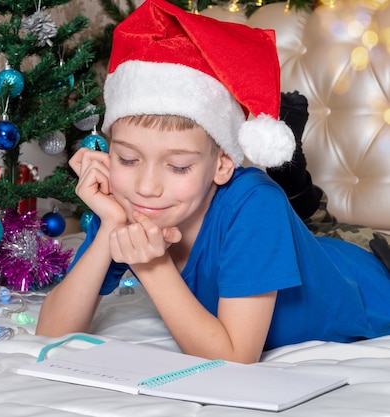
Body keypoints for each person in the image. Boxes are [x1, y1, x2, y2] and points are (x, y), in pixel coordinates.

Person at [36, 0, 390, 364]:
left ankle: (298, 186)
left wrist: (150, 264)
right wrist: (111, 226)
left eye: (177, 166)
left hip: (375, 273)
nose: (146, 186)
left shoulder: (255, 202)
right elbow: (51, 331)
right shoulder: (129, 205)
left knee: (323, 229)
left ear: (222, 164)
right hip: (311, 248)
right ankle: (304, 202)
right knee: (311, 230)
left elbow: (235, 360)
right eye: (127, 159)